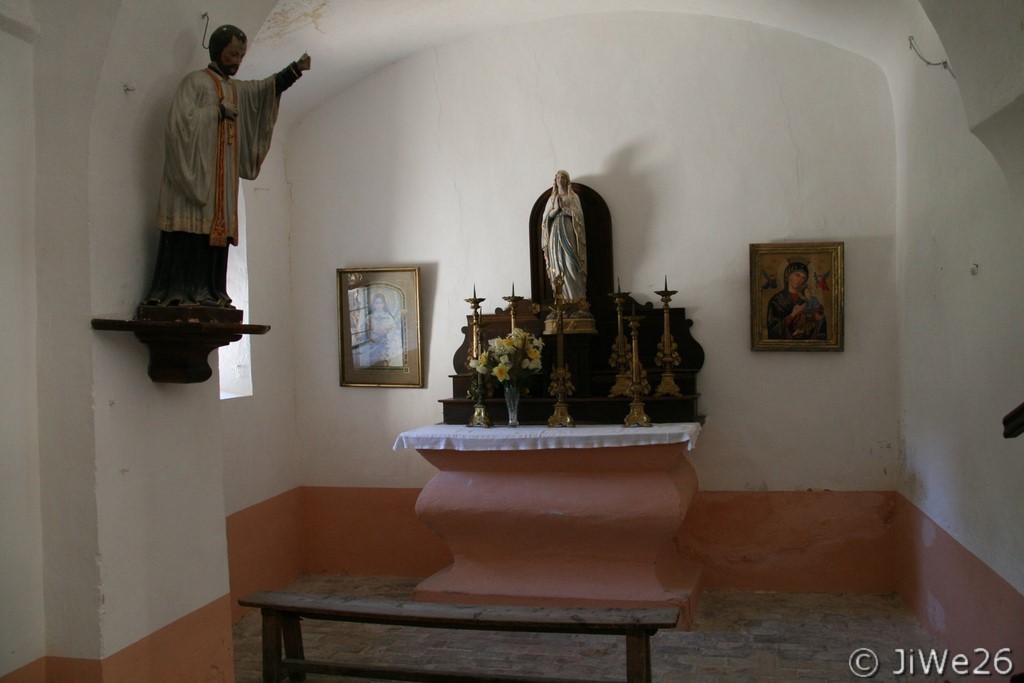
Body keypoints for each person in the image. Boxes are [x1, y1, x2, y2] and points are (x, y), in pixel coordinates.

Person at [143, 25, 311, 307]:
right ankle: (181, 293)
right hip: (195, 179)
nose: (237, 61)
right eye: (233, 54)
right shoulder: (195, 82)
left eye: (241, 56)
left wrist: (294, 71)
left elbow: (262, 90)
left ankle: (211, 292)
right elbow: (179, 123)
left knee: (216, 235)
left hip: (221, 185)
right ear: (218, 50)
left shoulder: (234, 89)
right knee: (190, 234)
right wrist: (217, 111)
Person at [540, 170, 588, 305]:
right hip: (555, 232)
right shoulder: (552, 199)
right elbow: (545, 218)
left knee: (571, 263)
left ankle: (577, 299)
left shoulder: (573, 197)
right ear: (555, 181)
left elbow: (579, 216)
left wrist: (566, 210)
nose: (560, 180)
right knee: (557, 263)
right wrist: (555, 210)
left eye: (563, 178)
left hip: (569, 230)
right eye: (558, 178)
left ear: (567, 181)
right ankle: (561, 300)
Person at [766, 261, 827, 340]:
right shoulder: (777, 300)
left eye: (803, 278)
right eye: (797, 275)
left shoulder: (807, 300)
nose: (800, 279)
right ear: (788, 276)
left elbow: (820, 323)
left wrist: (818, 319)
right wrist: (792, 315)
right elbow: (772, 330)